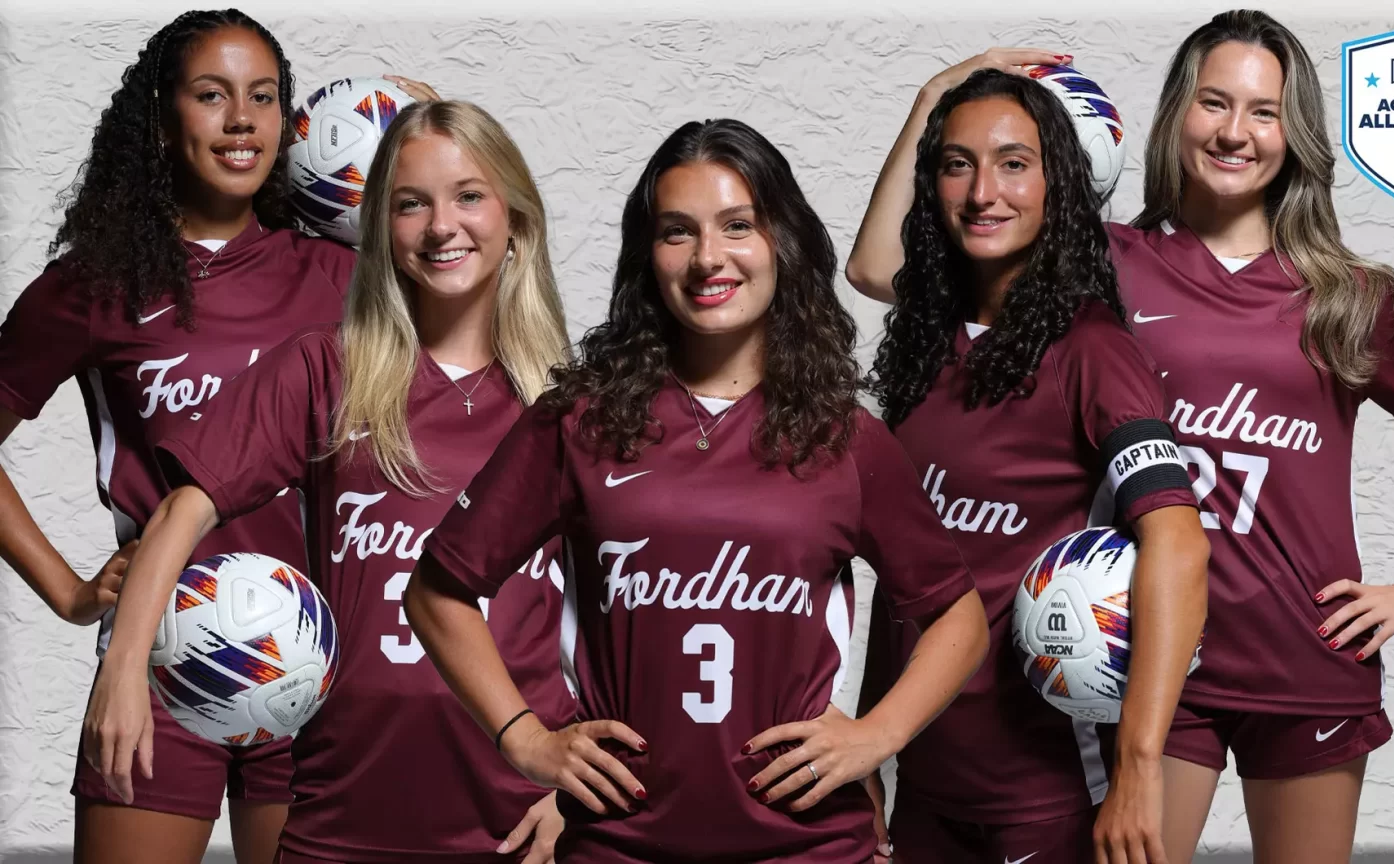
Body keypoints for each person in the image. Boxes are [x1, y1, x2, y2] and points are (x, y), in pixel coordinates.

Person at [847, 13, 1394, 864]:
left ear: (1294, 132)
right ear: (1175, 115)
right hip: (1149, 667)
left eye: (1264, 112)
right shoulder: (1101, 266)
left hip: (1303, 661)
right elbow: (877, 271)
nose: (1235, 131)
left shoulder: (1350, 296)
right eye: (1213, 102)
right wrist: (936, 99)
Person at [402, 118, 990, 863]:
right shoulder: (580, 423)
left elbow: (958, 617)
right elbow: (437, 590)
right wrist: (525, 741)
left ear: (782, 240)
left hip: (805, 849)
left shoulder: (844, 437)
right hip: (620, 847)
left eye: (738, 225)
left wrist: (876, 736)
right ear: (648, 256)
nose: (709, 257)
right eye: (678, 232)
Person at [78, 99, 575, 863]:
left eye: (469, 195)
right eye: (410, 204)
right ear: (381, 229)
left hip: (516, 821)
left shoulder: (569, 402)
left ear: (517, 216)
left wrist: (571, 783)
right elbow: (186, 507)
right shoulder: (327, 369)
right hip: (341, 819)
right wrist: (124, 669)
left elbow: (617, 611)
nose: (443, 225)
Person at [0, 9, 436, 862]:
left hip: (321, 660)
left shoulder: (343, 280)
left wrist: (420, 131)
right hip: (163, 659)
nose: (242, 119)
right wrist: (64, 590)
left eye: (264, 98)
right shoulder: (94, 288)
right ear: (163, 119)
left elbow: (474, 269)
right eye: (212, 95)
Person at [850, 66, 1208, 864]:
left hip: (1049, 794)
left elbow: (1180, 546)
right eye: (957, 163)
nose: (984, 191)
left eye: (1014, 163)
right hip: (927, 781)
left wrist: (1141, 767)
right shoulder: (921, 346)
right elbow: (907, 585)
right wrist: (872, 743)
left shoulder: (1092, 351)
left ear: (1058, 186)